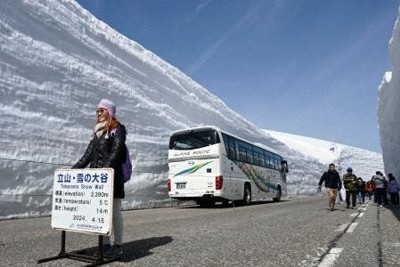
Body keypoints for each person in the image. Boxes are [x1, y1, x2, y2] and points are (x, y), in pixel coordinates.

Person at [73, 99, 126, 258]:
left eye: (102, 110)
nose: (98, 113)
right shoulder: (97, 133)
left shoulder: (117, 129)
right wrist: (72, 171)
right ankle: (104, 245)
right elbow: (87, 156)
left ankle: (118, 245)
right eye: (97, 111)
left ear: (109, 112)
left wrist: (105, 171)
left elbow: (116, 151)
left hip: (112, 178)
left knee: (115, 213)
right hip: (96, 182)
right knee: (100, 213)